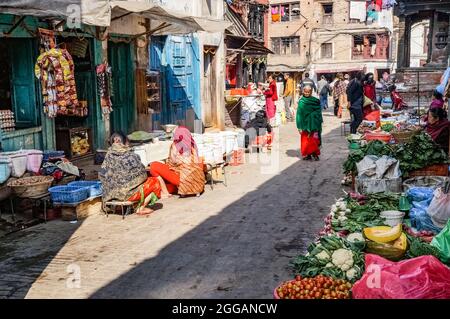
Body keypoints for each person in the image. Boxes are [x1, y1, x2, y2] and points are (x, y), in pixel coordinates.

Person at [99, 132, 169, 215]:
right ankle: (140, 208)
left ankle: (127, 206)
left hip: (110, 196)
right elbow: (143, 175)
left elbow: (102, 175)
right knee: (155, 182)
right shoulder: (131, 155)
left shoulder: (108, 155)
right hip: (127, 195)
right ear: (124, 142)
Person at [149, 127, 205, 197]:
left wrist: (166, 163)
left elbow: (172, 163)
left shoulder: (175, 145)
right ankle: (189, 189)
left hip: (183, 178)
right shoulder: (193, 144)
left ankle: (165, 192)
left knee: (154, 166)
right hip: (198, 181)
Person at [296, 86, 323, 161]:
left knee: (314, 140)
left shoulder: (315, 101)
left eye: (308, 92)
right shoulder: (302, 101)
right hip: (305, 124)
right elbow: (299, 114)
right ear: (303, 91)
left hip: (314, 124)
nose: (307, 93)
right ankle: (308, 154)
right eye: (305, 92)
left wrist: (317, 119)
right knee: (306, 140)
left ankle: (315, 154)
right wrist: (299, 126)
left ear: (311, 92)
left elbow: (318, 112)